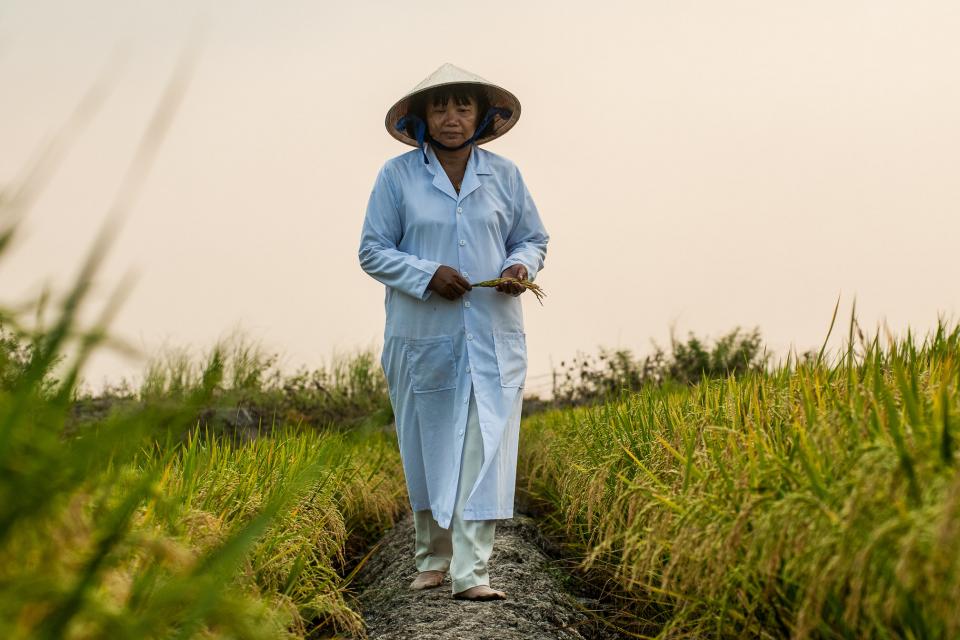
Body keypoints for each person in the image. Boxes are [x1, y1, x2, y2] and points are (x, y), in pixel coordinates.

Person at [358, 63, 548, 601]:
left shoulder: (505, 176)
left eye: (462, 106)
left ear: (480, 116)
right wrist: (426, 274)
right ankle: (431, 557)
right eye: (440, 107)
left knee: (483, 446)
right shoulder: (397, 177)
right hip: (422, 335)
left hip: (492, 332)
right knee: (428, 442)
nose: (451, 118)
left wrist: (520, 269)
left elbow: (531, 238)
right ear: (421, 117)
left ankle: (474, 572)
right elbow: (372, 250)